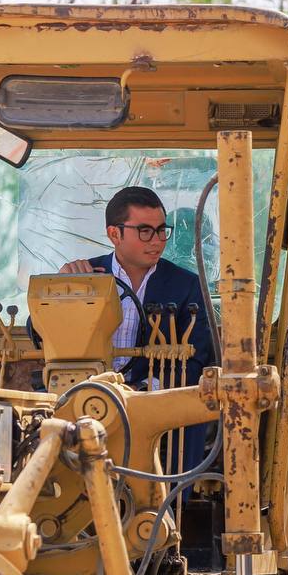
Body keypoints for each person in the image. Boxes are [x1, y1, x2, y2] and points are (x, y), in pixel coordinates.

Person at [58, 185, 215, 471]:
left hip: (153, 404)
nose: (157, 240)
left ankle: (172, 506)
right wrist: (60, 289)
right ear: (114, 234)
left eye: (161, 230)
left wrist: (141, 390)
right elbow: (39, 334)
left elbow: (198, 358)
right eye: (145, 231)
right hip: (82, 396)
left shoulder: (186, 285)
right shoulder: (84, 275)